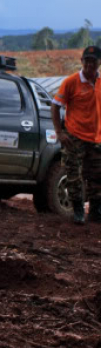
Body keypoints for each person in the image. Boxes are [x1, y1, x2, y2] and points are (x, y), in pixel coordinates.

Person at [51, 45, 101, 224]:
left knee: (97, 175)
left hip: (96, 138)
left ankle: (96, 210)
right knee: (73, 175)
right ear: (82, 61)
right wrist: (60, 132)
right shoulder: (71, 82)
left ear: (98, 63)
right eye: (87, 61)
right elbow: (55, 106)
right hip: (74, 137)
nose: (90, 65)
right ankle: (78, 210)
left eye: (93, 62)